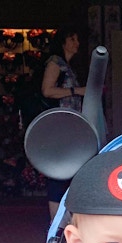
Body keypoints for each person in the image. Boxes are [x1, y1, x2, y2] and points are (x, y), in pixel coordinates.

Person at [42, 28, 87, 218]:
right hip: (59, 125)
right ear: (63, 42)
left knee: (69, 170)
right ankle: (55, 221)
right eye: (72, 38)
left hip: (70, 125)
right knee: (58, 171)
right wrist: (76, 90)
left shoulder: (68, 65)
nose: (76, 42)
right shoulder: (55, 62)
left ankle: (65, 217)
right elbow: (47, 90)